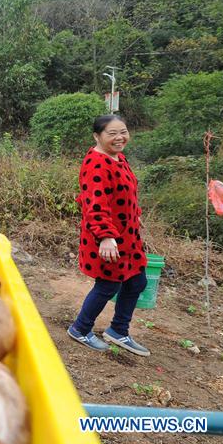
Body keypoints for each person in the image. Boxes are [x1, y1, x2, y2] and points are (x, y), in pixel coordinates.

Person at [67, 115, 150, 356]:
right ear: (97, 136)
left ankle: (118, 330)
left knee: (137, 280)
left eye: (122, 131)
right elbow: (94, 203)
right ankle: (80, 328)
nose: (119, 137)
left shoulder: (119, 158)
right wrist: (105, 236)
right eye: (111, 133)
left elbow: (126, 193)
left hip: (128, 234)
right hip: (106, 237)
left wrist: (136, 215)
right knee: (108, 284)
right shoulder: (96, 164)